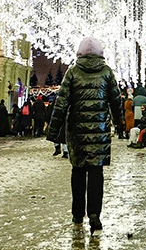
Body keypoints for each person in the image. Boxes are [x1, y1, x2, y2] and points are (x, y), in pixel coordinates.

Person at [47, 36, 122, 234]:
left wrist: (53, 130)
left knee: (78, 171)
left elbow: (61, 103)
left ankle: (78, 213)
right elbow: (116, 101)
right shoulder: (106, 72)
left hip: (77, 132)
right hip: (100, 132)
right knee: (96, 172)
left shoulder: (73, 72)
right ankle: (94, 214)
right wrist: (120, 124)